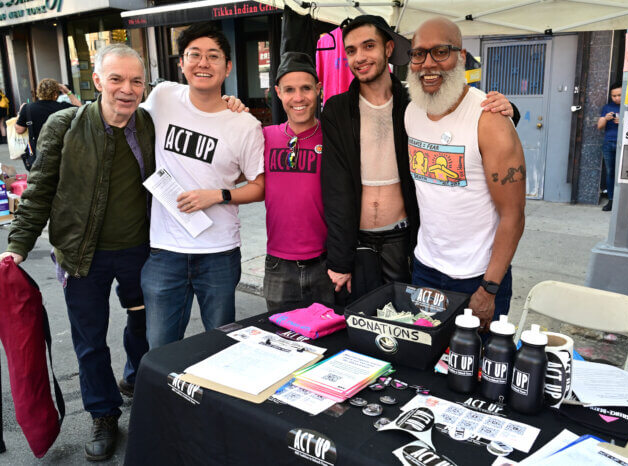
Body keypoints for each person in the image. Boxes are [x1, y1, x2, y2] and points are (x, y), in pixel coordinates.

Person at [0, 44, 154, 461]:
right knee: (89, 342)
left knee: (143, 326)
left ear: (145, 84)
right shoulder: (63, 125)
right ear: (98, 81)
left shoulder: (149, 123)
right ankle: (103, 415)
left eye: (136, 80)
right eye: (117, 79)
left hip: (140, 251)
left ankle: (135, 379)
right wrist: (17, 245)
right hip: (80, 255)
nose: (127, 89)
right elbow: (39, 189)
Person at [321, 15, 514, 301]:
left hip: (406, 241)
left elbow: (459, 110)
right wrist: (339, 258)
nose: (359, 57)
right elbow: (335, 188)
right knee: (362, 327)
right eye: (351, 51)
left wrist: (510, 109)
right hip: (358, 242)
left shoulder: (416, 104)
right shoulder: (336, 109)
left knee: (407, 328)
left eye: (368, 46)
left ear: (388, 49)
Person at [140, 23, 264, 349]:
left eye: (213, 56)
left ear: (228, 66)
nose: (203, 63)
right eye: (194, 55)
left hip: (219, 253)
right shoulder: (162, 97)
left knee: (221, 346)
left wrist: (219, 195)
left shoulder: (245, 125)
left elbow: (259, 186)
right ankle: (164, 400)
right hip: (164, 250)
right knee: (161, 347)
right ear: (181, 63)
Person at [404, 17, 526, 331]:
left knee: (473, 372)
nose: (428, 64)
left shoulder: (490, 120)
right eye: (419, 54)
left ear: (460, 56)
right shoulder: (412, 112)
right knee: (422, 369)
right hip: (425, 269)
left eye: (440, 52)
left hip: (478, 278)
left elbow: (513, 215)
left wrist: (490, 288)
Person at [262, 52, 334, 312]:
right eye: (289, 90)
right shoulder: (264, 137)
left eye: (306, 88)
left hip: (326, 264)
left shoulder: (334, 138)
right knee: (281, 344)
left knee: (330, 345)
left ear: (318, 90)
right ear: (278, 92)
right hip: (278, 264)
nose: (298, 98)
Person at [16, 78, 82, 170]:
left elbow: (19, 130)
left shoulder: (28, 108)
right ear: (55, 94)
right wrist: (68, 92)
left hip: (37, 154)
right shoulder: (62, 107)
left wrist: (20, 114)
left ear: (38, 92)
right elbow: (82, 110)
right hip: (61, 152)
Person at [597, 82, 622, 212]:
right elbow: (599, 126)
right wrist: (605, 119)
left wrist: (623, 121)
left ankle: (622, 201)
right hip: (609, 143)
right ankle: (611, 200)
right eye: (614, 96)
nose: (617, 98)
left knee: (622, 173)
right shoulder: (607, 107)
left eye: (619, 95)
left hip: (624, 144)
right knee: (610, 172)